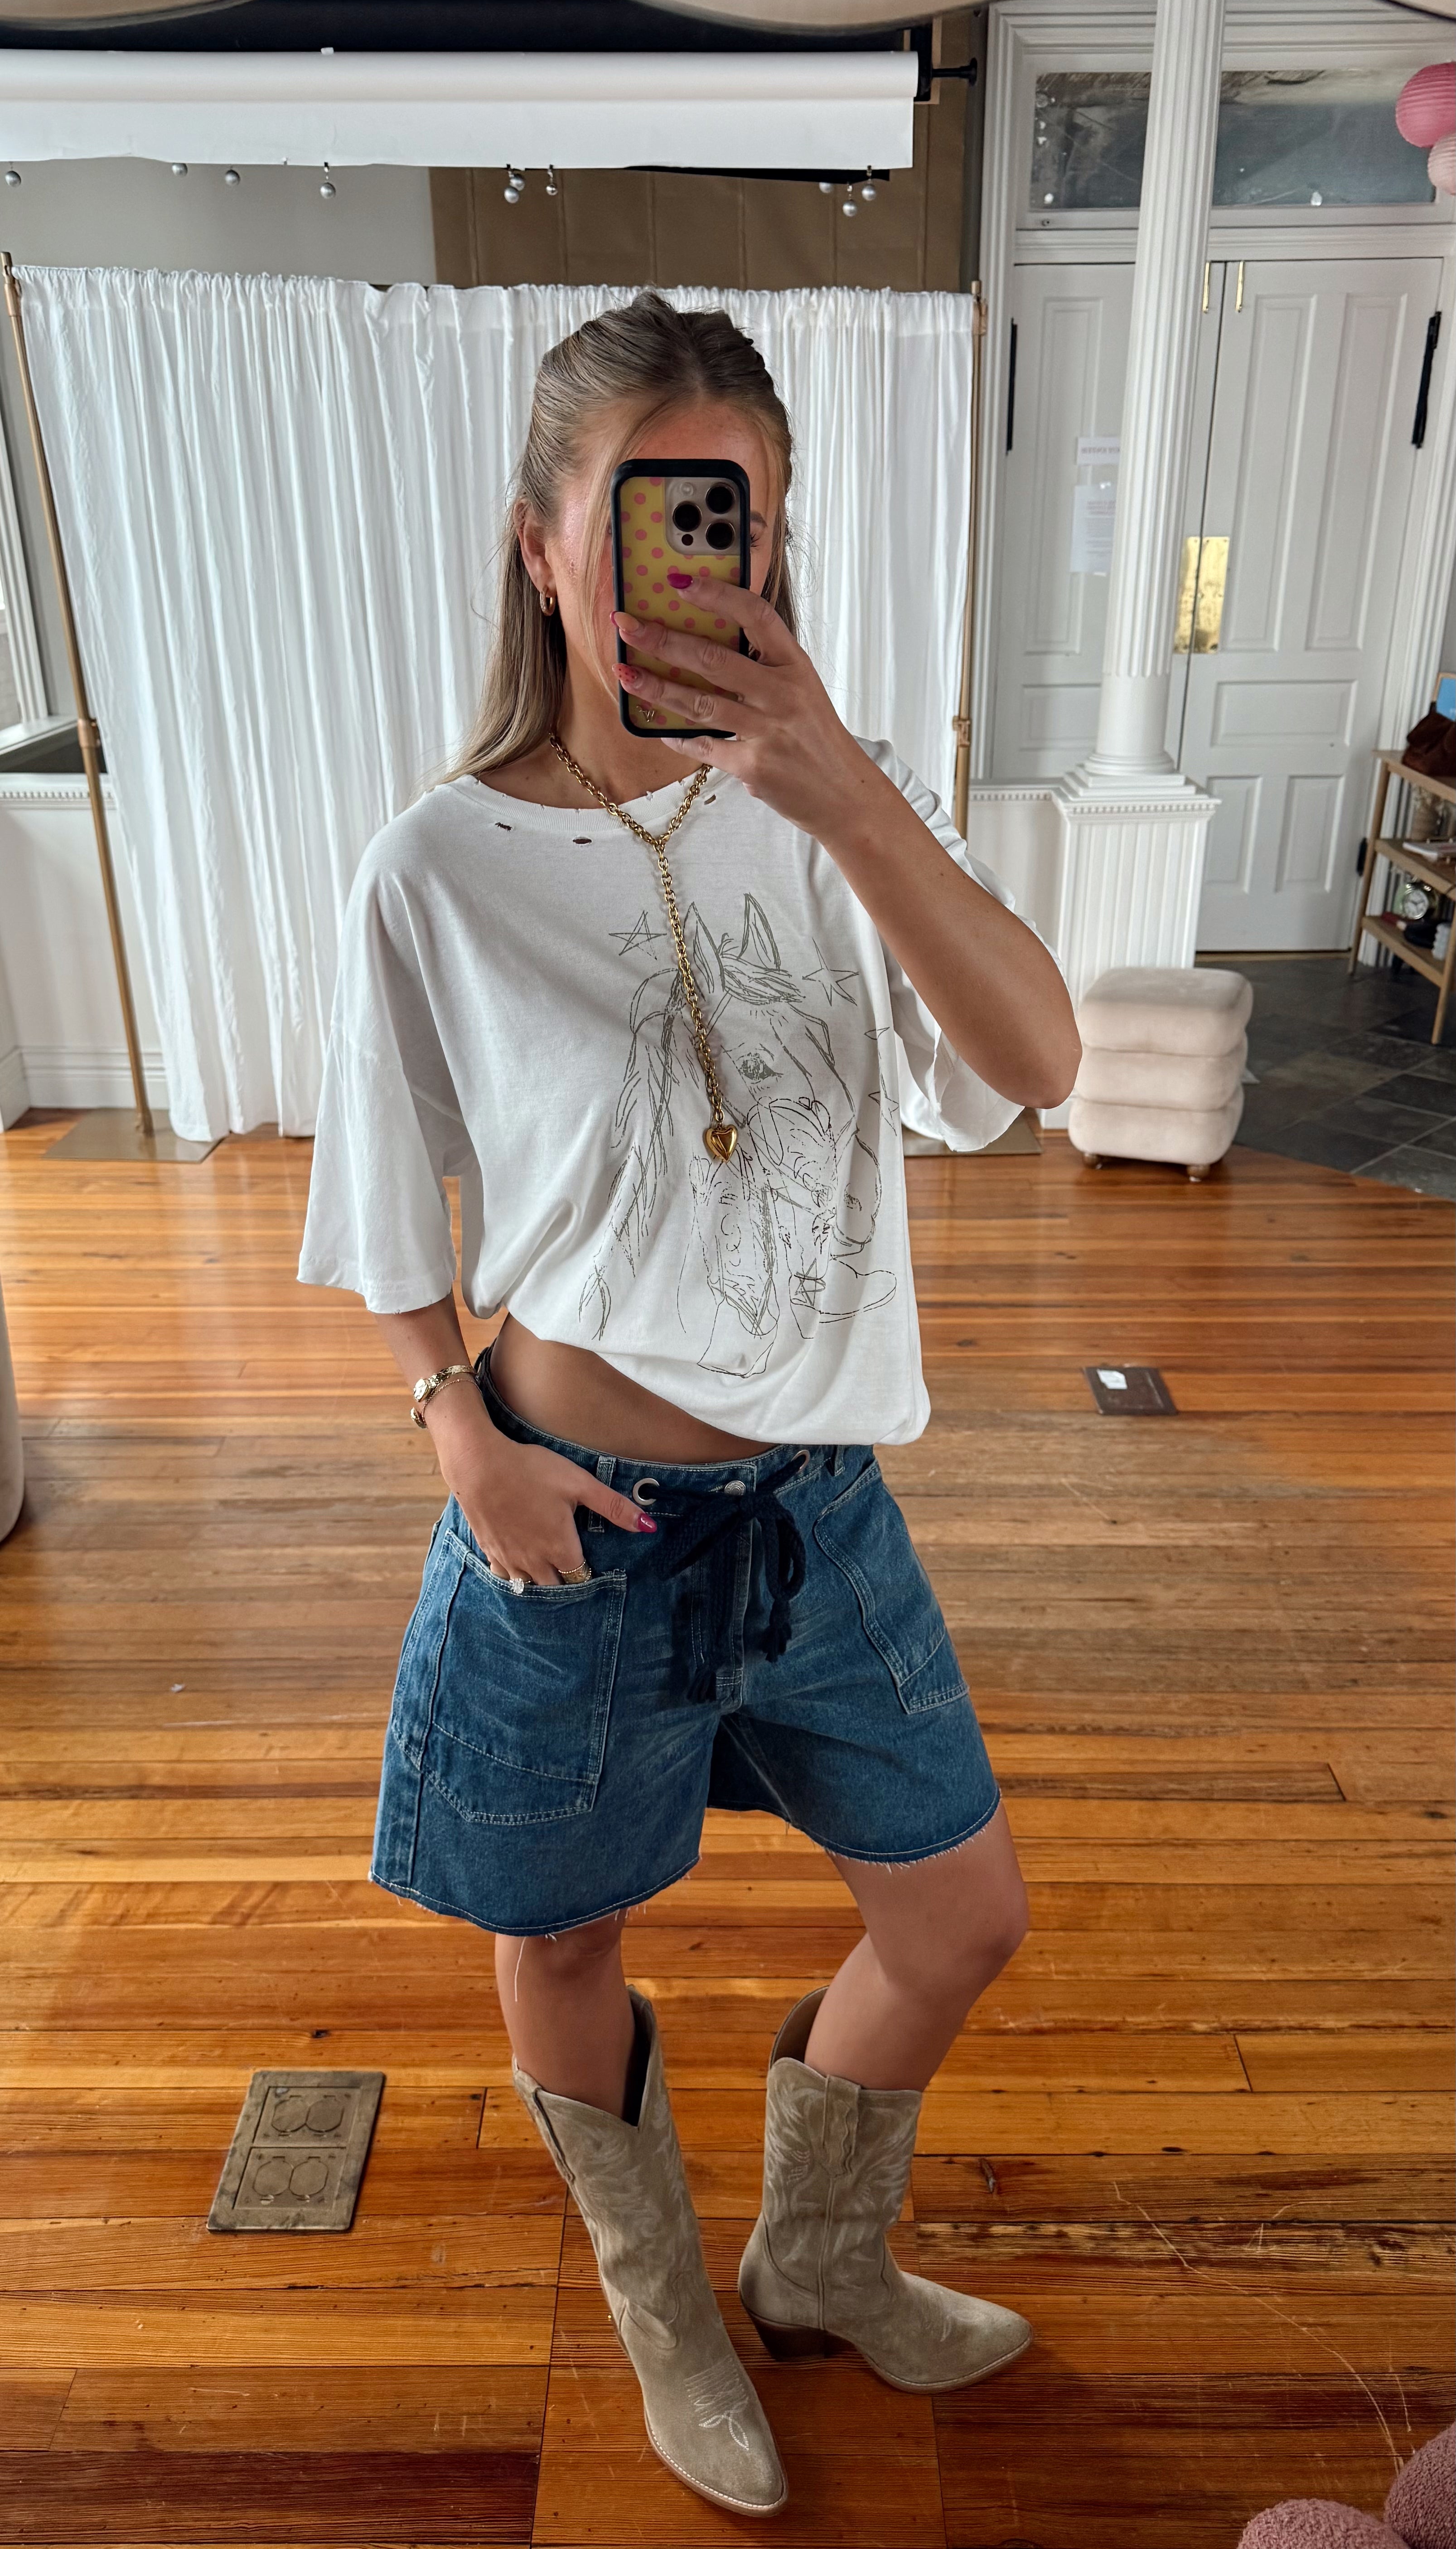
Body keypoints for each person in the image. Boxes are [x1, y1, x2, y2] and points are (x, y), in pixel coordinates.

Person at [299, 290, 1081, 2517]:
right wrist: (461, 1439)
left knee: (960, 1918)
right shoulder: (435, 864)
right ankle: (667, 2314)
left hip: (819, 1508)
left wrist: (843, 795)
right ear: (544, 541)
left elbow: (1036, 1064)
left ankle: (817, 2262)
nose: (698, 559)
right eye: (650, 509)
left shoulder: (836, 808)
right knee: (560, 1935)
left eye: (738, 517)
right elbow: (381, 1201)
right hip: (576, 1517)